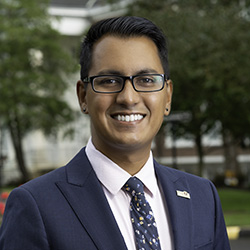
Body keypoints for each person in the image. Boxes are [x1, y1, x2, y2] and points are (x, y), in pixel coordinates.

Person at [0, 16, 230, 250]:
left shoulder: (203, 196)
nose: (128, 98)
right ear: (83, 96)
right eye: (109, 81)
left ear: (167, 96)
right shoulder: (35, 205)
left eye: (146, 80)